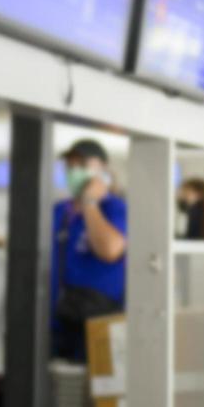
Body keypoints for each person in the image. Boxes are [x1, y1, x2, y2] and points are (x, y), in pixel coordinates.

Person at [51, 139, 128, 361]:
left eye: (83, 164)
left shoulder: (115, 208)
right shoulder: (59, 211)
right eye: (70, 165)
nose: (75, 171)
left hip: (98, 320)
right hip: (58, 320)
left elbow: (110, 249)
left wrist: (90, 202)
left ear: (102, 169)